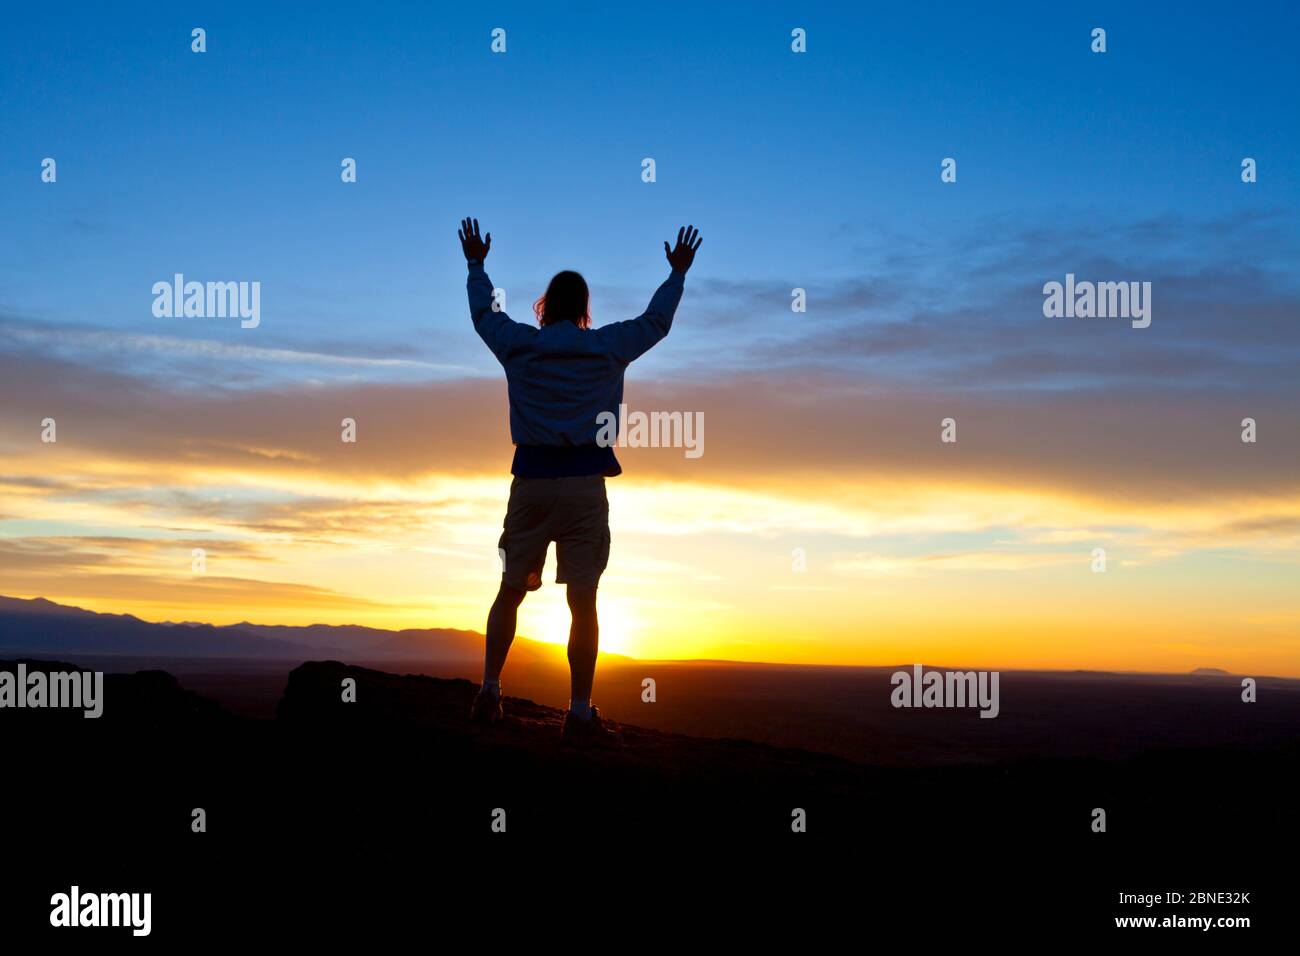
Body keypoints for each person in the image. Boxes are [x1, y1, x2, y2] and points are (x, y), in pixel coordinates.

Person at [458, 217, 702, 747]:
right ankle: (578, 712)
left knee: (508, 592)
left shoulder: (519, 345)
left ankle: (489, 691)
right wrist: (677, 274)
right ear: (584, 308)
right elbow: (656, 321)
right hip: (584, 485)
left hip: (531, 482)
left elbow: (483, 315)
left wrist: (477, 264)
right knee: (584, 601)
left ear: (544, 305)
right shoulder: (606, 347)